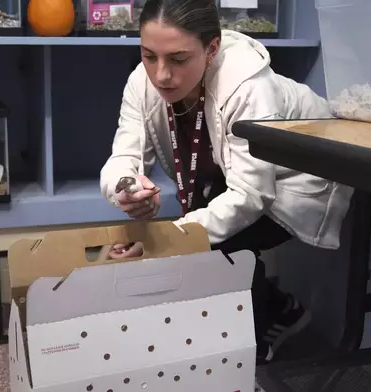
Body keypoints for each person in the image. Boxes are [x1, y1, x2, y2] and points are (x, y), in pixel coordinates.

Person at [99, 0, 354, 364]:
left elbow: (251, 194)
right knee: (203, 240)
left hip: (299, 177)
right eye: (148, 55)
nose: (160, 75)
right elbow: (124, 155)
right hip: (231, 174)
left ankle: (250, 354)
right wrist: (126, 186)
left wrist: (172, 237)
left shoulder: (248, 86)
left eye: (178, 59)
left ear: (212, 48)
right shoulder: (142, 83)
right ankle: (281, 307)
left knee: (219, 248)